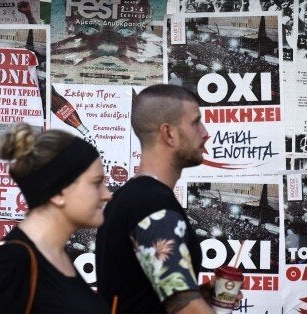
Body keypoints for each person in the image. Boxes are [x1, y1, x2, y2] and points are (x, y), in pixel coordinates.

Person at [0, 123, 112, 313]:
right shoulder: (10, 264)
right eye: (96, 183)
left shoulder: (57, 257)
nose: (107, 194)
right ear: (58, 192)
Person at [95, 84, 224, 313]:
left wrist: (198, 295)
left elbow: (136, 293)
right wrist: (193, 303)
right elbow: (186, 309)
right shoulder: (151, 203)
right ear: (169, 133)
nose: (205, 133)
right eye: (195, 122)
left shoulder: (130, 198)